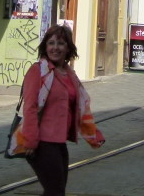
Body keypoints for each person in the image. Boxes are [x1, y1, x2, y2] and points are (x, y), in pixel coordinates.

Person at [11, 25, 105, 196]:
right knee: (55, 191)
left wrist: (93, 132)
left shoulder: (69, 74)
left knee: (55, 190)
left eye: (60, 43)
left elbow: (80, 107)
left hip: (59, 142)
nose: (55, 47)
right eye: (51, 43)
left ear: (68, 47)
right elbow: (30, 107)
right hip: (41, 142)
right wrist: (30, 140)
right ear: (45, 47)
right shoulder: (38, 71)